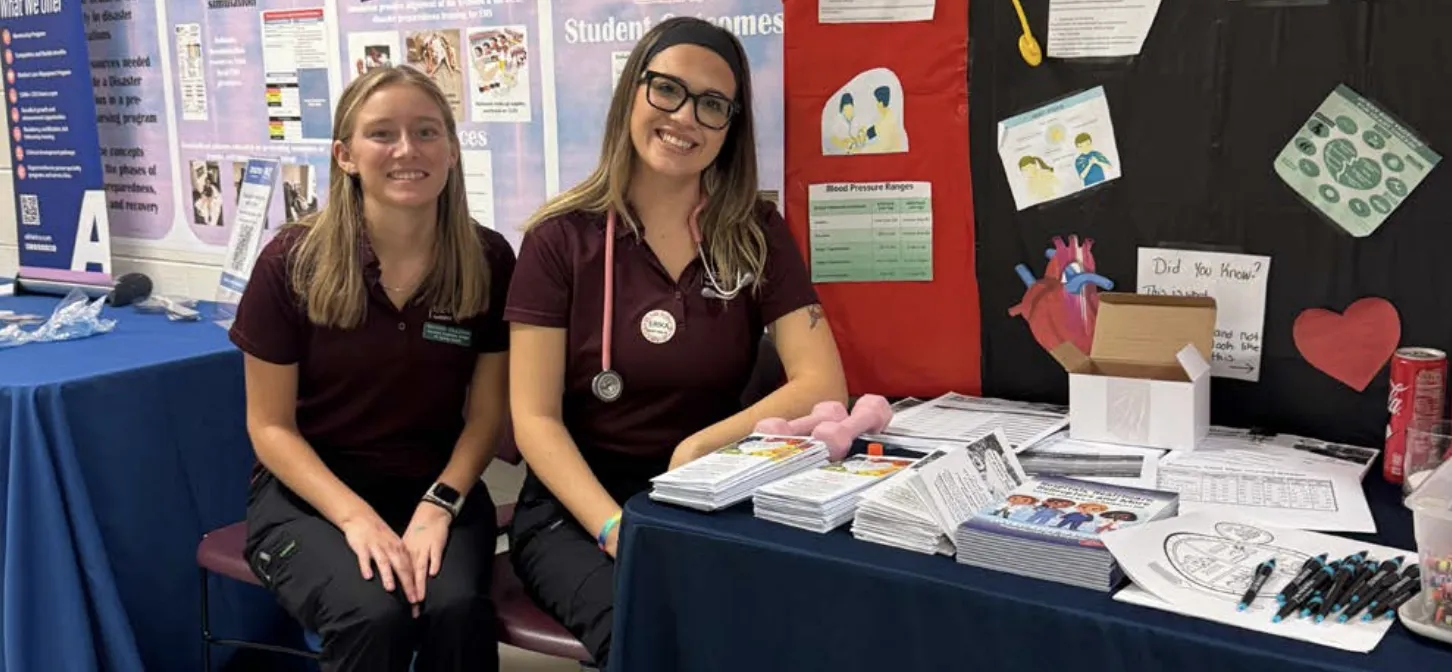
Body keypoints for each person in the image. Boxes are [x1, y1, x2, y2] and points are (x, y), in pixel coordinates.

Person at [504, 16, 848, 668]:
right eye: (667, 90)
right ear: (632, 93)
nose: (685, 117)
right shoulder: (558, 242)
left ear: (731, 128)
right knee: (652, 630)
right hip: (579, 511)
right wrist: (614, 527)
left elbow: (822, 385)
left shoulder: (755, 233)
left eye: (712, 105)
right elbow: (535, 420)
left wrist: (700, 446)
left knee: (789, 625)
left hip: (710, 493)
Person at [228, 65, 513, 672]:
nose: (408, 150)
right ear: (346, 155)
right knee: (372, 615)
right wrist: (357, 519)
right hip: (309, 497)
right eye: (382, 133)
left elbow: (487, 417)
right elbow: (270, 428)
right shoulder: (290, 262)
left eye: (427, 132)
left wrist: (439, 505)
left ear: (453, 150)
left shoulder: (488, 259)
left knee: (456, 609)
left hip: (438, 489)